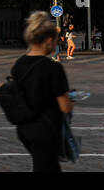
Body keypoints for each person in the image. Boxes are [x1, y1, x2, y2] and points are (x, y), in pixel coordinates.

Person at [10, 11, 72, 173]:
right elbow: (65, 106)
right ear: (49, 40)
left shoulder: (19, 64)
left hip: (24, 128)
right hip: (46, 128)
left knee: (47, 166)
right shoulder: (53, 68)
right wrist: (71, 99)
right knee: (45, 168)